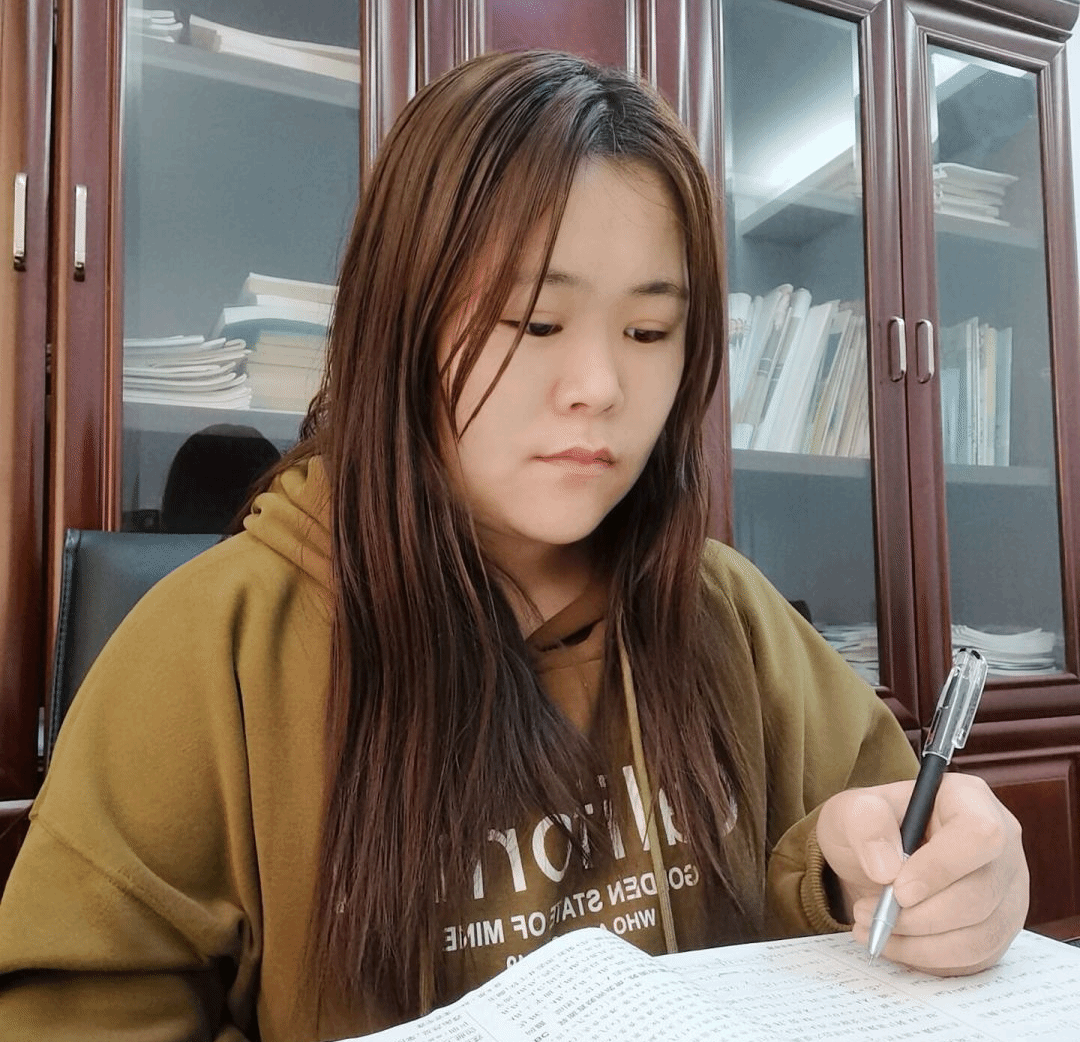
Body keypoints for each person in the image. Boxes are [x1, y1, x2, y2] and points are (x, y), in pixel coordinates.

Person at [0, 49, 1027, 1041]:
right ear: (401, 321)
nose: (601, 387)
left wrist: (928, 882)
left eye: (649, 332)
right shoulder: (206, 653)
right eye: (535, 323)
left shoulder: (724, 611)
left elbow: (878, 836)